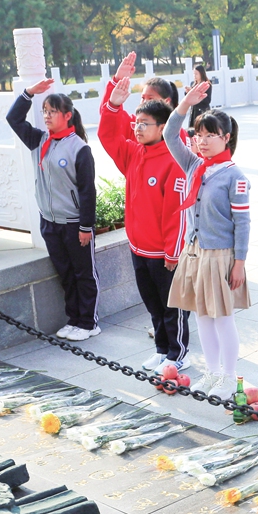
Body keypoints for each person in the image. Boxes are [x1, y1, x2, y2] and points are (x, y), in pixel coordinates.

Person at [165, 82, 251, 399]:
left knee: (223, 318)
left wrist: (239, 262)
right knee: (201, 315)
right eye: (199, 135)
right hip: (195, 252)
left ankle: (229, 376)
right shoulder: (194, 164)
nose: (202, 141)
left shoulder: (234, 176)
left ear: (226, 138)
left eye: (210, 135)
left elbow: (243, 222)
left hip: (220, 255)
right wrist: (184, 104)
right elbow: (169, 136)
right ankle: (212, 372)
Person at [99, 79, 191, 375]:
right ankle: (162, 350)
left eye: (145, 124)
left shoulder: (174, 161)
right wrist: (113, 104)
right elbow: (107, 135)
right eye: (136, 122)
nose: (137, 128)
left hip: (164, 253)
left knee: (171, 308)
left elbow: (176, 213)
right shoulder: (133, 153)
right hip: (139, 248)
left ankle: (179, 354)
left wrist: (173, 252)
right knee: (153, 306)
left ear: (163, 127)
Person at [7, 79, 99, 343]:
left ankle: (89, 322)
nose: (46, 116)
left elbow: (87, 192)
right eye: (44, 111)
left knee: (84, 273)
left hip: (73, 224)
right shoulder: (39, 140)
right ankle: (74, 320)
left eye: (52, 111)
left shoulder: (80, 149)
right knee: (66, 273)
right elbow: (13, 119)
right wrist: (28, 94)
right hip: (50, 222)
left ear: (67, 116)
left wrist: (85, 226)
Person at [104, 52, 185, 144]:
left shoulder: (178, 134)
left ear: (166, 101)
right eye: (143, 97)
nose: (144, 102)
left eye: (150, 98)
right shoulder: (134, 126)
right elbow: (108, 120)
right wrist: (117, 81)